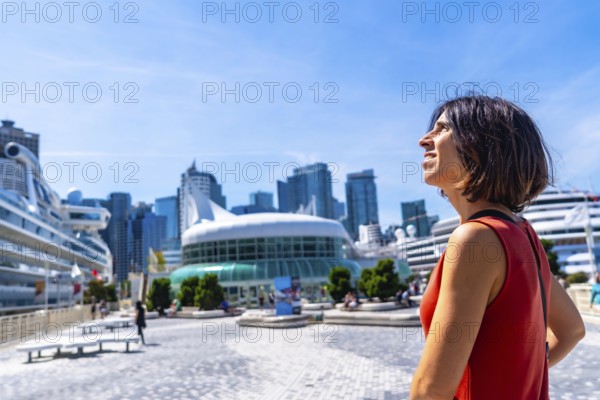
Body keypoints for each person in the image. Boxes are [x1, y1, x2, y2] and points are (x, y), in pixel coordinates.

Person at [410, 96, 585, 400]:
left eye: (441, 130)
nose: (424, 140)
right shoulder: (522, 233)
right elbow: (572, 330)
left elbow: (432, 390)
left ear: (479, 145)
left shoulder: (474, 240)